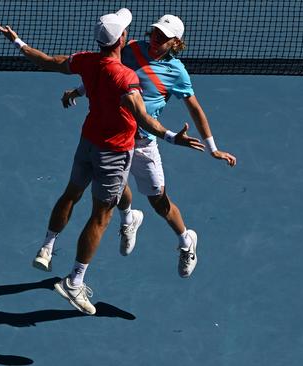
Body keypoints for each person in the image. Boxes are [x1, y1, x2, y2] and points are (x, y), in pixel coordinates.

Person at [0, 9, 204, 315]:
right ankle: (75, 281)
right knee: (101, 216)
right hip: (115, 151)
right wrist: (174, 138)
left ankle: (48, 246)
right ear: (122, 39)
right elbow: (144, 118)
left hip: (87, 143)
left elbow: (48, 61)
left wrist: (17, 42)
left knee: (72, 193)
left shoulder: (86, 61)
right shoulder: (125, 77)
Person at [60, 14, 237, 278]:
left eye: (163, 37)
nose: (156, 38)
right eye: (155, 32)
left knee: (159, 202)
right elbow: (108, 74)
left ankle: (186, 241)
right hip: (116, 138)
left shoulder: (177, 72)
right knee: (115, 190)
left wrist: (213, 148)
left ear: (175, 42)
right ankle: (129, 218)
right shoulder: (131, 49)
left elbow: (196, 109)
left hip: (144, 142)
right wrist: (78, 90)